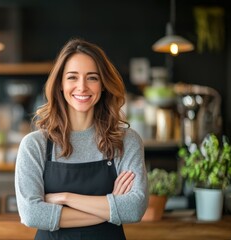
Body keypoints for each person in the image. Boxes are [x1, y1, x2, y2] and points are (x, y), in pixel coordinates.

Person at [14, 38, 148, 239]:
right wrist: (111, 207)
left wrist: (65, 198)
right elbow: (32, 215)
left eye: (92, 78)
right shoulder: (35, 145)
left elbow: (134, 208)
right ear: (60, 84)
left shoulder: (126, 141)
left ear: (103, 84)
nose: (82, 87)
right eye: (72, 77)